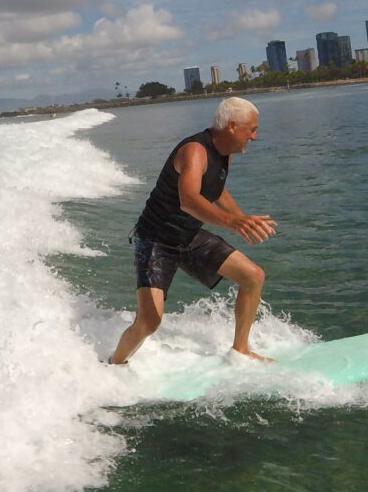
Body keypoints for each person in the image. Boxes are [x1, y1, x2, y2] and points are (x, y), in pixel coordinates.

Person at [108, 96, 277, 364]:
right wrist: (232, 223)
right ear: (232, 126)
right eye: (252, 129)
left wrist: (242, 218)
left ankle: (240, 350)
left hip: (188, 236)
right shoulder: (194, 151)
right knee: (149, 322)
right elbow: (189, 200)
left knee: (253, 277)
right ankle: (114, 364)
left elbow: (217, 190)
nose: (255, 137)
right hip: (157, 240)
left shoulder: (225, 155)